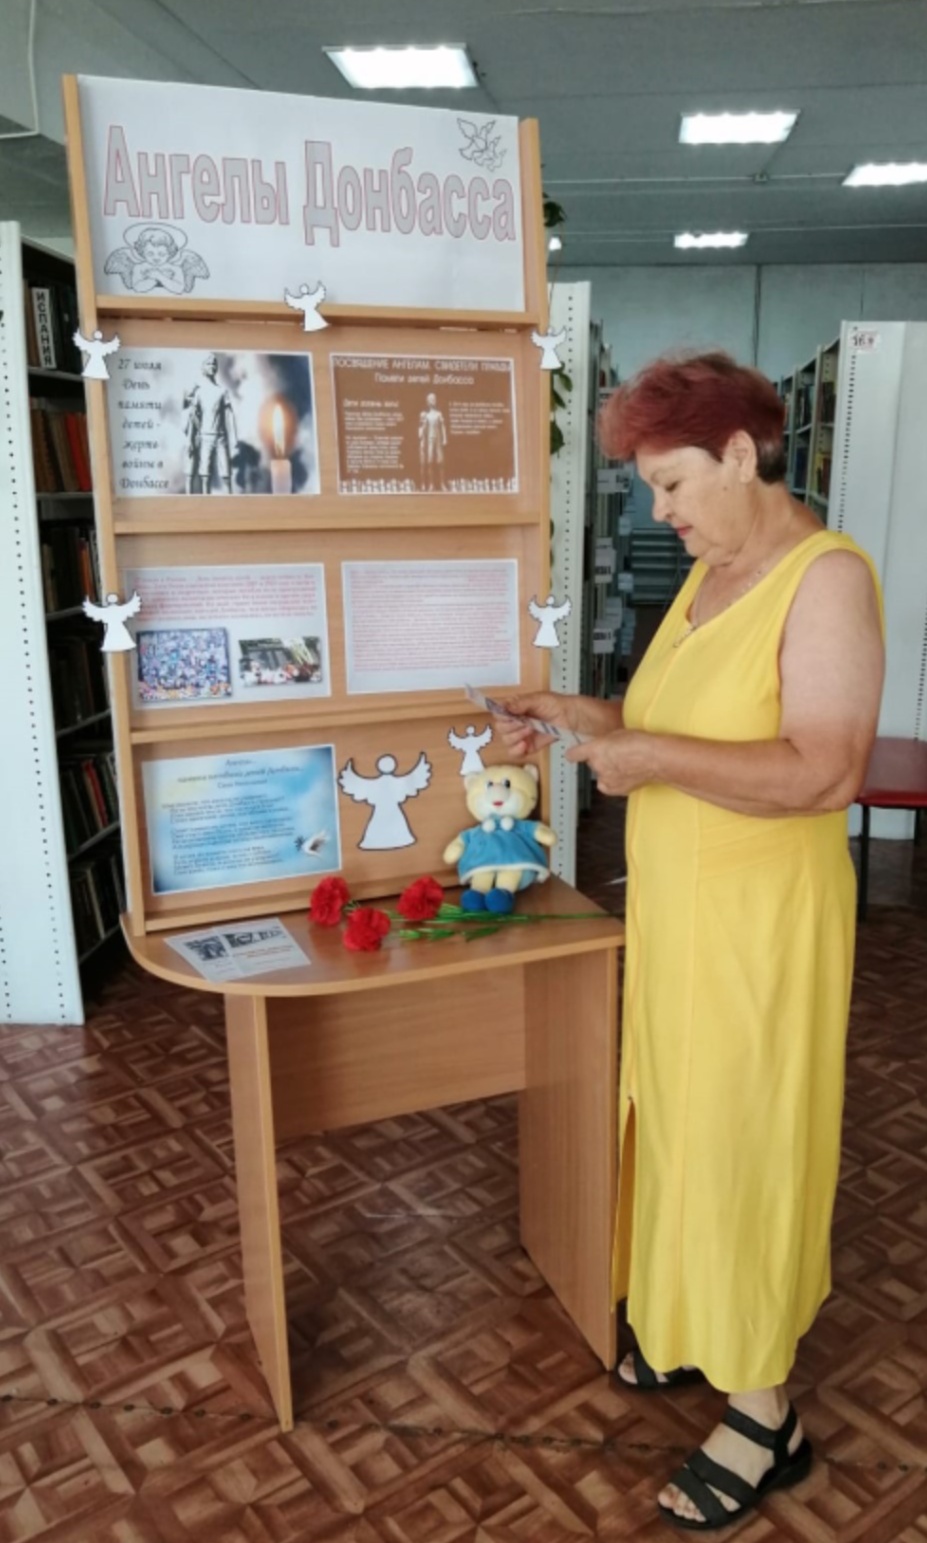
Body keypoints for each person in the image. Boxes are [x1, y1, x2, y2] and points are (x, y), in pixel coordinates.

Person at [495, 352, 884, 1531]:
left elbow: (824, 771)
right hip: (681, 916)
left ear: (741, 455)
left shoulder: (826, 580)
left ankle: (767, 1416)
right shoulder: (712, 574)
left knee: (744, 1140)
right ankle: (689, 1322)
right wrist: (579, 717)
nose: (661, 512)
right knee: (672, 1121)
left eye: (671, 484)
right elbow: (672, 719)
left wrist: (651, 757)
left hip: (761, 928)